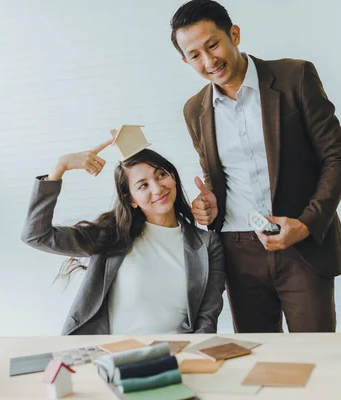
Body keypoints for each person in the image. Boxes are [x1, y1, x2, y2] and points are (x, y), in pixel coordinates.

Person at [170, 0, 341, 333]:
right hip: (238, 251)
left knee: (315, 356)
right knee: (257, 358)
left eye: (213, 45)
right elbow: (216, 174)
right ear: (185, 61)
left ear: (234, 35)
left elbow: (338, 158)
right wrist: (208, 201)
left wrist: (306, 224)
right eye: (195, 55)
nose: (209, 61)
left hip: (301, 243)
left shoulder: (294, 76)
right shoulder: (193, 109)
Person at [21, 138, 225, 335]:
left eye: (161, 175)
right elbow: (36, 235)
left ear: (173, 177)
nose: (157, 188)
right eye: (143, 185)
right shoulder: (111, 237)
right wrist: (60, 167)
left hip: (175, 358)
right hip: (114, 356)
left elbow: (207, 318)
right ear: (131, 199)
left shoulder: (207, 245)